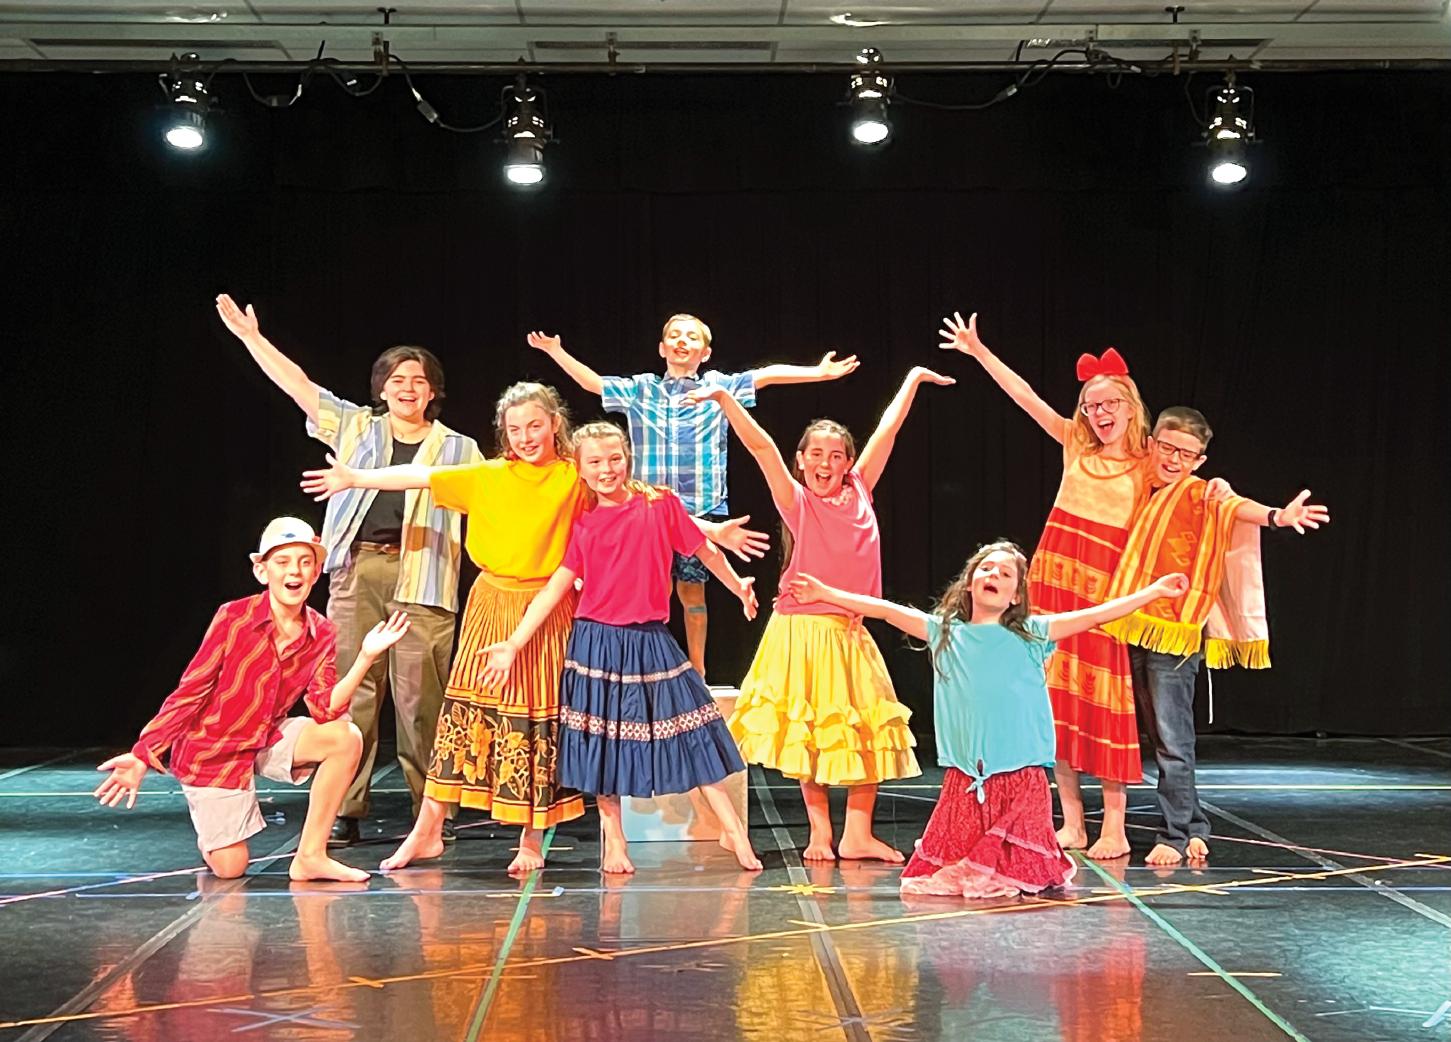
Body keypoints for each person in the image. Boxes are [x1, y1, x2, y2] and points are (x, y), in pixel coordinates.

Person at [302, 383, 769, 875]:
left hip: (557, 610)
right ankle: (428, 829)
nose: (526, 437)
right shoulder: (491, 475)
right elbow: (420, 475)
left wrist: (715, 535)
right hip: (496, 606)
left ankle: (533, 838)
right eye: (515, 429)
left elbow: (646, 506)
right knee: (466, 714)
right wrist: (355, 477)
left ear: (555, 426)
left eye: (535, 426)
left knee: (540, 721)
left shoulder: (574, 476)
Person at [215, 294, 483, 848]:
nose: (407, 388)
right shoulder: (357, 428)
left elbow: (498, 502)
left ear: (433, 391)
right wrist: (251, 339)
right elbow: (298, 385)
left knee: (421, 699)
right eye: (397, 379)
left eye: (419, 380)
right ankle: (344, 805)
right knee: (349, 692)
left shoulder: (461, 449)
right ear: (381, 388)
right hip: (358, 571)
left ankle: (433, 812)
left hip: (424, 577)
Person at [787, 544, 1189, 898]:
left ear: (1016, 596)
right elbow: (886, 611)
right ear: (969, 583)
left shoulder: (1033, 633)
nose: (993, 575)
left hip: (1021, 775)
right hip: (969, 776)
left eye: (1005, 573)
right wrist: (826, 594)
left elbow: (1097, 615)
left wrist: (1153, 592)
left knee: (1017, 871)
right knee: (964, 868)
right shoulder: (945, 633)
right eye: (986, 569)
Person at [689, 366, 954, 862]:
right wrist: (726, 401)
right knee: (811, 733)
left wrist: (913, 380)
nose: (825, 464)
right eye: (815, 454)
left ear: (849, 462)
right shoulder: (798, 502)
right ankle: (819, 833)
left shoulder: (861, 490)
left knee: (866, 729)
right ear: (801, 460)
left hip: (850, 628)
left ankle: (857, 834)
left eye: (836, 456)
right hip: (803, 631)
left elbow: (888, 429)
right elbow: (762, 448)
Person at [477, 422, 764, 875]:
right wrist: (514, 642)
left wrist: (736, 585)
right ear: (581, 469)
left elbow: (704, 551)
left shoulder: (659, 504)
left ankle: (733, 831)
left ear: (628, 458)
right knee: (603, 748)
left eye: (614, 459)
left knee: (694, 731)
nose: (606, 469)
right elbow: (555, 588)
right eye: (595, 462)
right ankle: (615, 839)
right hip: (596, 642)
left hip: (651, 640)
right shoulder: (584, 522)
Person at [527, 314, 858, 678]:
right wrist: (556, 352)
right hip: (647, 509)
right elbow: (594, 383)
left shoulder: (718, 387)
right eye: (674, 335)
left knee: (692, 591)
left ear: (706, 352)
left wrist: (818, 373)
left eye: (691, 337)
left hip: (701, 504)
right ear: (662, 348)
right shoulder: (642, 390)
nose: (681, 341)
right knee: (650, 587)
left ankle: (697, 670)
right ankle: (652, 663)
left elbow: (766, 375)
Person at [940, 312, 1153, 860]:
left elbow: (1192, 492)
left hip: (1102, 595)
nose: (1098, 414)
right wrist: (979, 352)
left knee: (1104, 703)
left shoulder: (1148, 462)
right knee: (1052, 702)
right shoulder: (1075, 444)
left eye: (1108, 404)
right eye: (1090, 406)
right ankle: (1073, 822)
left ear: (1130, 405)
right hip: (1052, 585)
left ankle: (1114, 826)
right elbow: (1025, 397)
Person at [93, 517, 410, 882]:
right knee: (231, 868)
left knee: (345, 737)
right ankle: (212, 827)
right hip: (213, 750)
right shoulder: (234, 618)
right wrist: (143, 753)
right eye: (283, 562)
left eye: (304, 562)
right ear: (262, 571)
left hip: (264, 735)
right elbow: (191, 689)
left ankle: (310, 856)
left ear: (316, 572)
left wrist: (366, 657)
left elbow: (326, 709)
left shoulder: (321, 631)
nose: (294, 571)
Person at [1100, 406, 1329, 866]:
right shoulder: (1131, 484)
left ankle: (1175, 834)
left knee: (1172, 738)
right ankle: (1194, 826)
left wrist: (1278, 517)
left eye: (1186, 454)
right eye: (1168, 448)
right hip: (1125, 621)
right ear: (1152, 444)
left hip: (1174, 630)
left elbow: (1236, 507)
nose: (1174, 459)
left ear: (1199, 460)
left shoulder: (1203, 492)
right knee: (1149, 732)